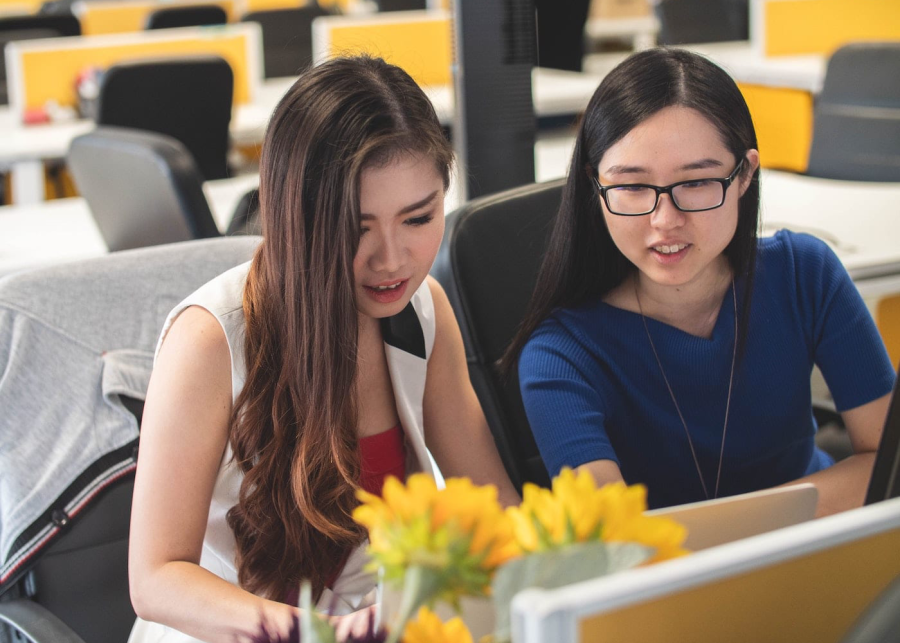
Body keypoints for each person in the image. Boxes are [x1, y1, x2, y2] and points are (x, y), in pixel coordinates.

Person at [127, 56, 519, 643]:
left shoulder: (423, 311)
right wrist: (317, 633)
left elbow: (494, 510)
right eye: (356, 227)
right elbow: (156, 577)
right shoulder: (211, 338)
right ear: (295, 216)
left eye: (419, 218)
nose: (392, 259)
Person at [506, 48, 894, 517]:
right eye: (632, 186)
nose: (665, 220)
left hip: (817, 550)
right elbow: (614, 542)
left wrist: (739, 530)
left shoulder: (804, 275)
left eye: (696, 183)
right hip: (675, 584)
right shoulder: (561, 356)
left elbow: (887, 462)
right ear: (595, 187)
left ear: (745, 174)